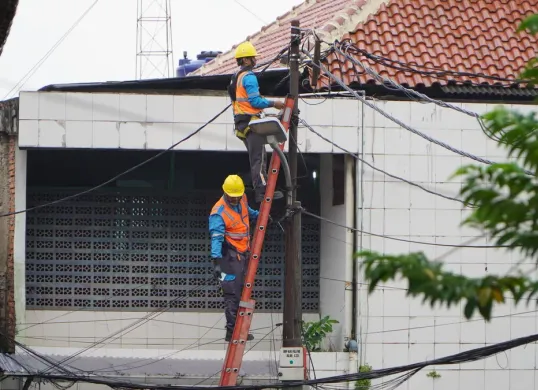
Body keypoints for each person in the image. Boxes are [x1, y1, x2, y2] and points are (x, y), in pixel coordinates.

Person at [228, 41, 286, 203]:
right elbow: (254, 102)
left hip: (242, 123)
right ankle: (261, 193)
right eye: (252, 58)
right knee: (258, 159)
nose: (255, 60)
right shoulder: (249, 78)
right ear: (245, 60)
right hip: (250, 124)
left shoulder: (236, 78)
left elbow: (245, 104)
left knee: (257, 159)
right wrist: (275, 103)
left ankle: (262, 189)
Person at [209, 174, 259, 341]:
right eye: (233, 197)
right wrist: (216, 262)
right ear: (226, 193)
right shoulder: (219, 212)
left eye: (238, 196)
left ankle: (238, 329)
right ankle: (232, 331)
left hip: (243, 253)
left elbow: (247, 213)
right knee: (232, 294)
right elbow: (216, 237)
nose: (236, 200)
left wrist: (261, 216)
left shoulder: (242, 198)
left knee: (243, 292)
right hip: (228, 258)